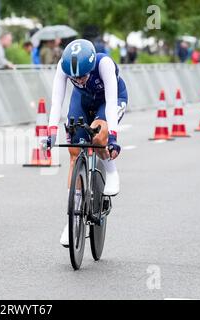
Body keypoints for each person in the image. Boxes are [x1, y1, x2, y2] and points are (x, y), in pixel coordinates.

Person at [43, 39, 128, 247]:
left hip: (108, 102)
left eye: (82, 76)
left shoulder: (104, 64)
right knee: (75, 151)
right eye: (75, 78)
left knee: (99, 134)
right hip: (82, 101)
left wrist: (113, 137)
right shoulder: (63, 67)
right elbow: (57, 100)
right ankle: (72, 218)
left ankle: (111, 170)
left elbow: (110, 104)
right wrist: (51, 131)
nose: (78, 81)